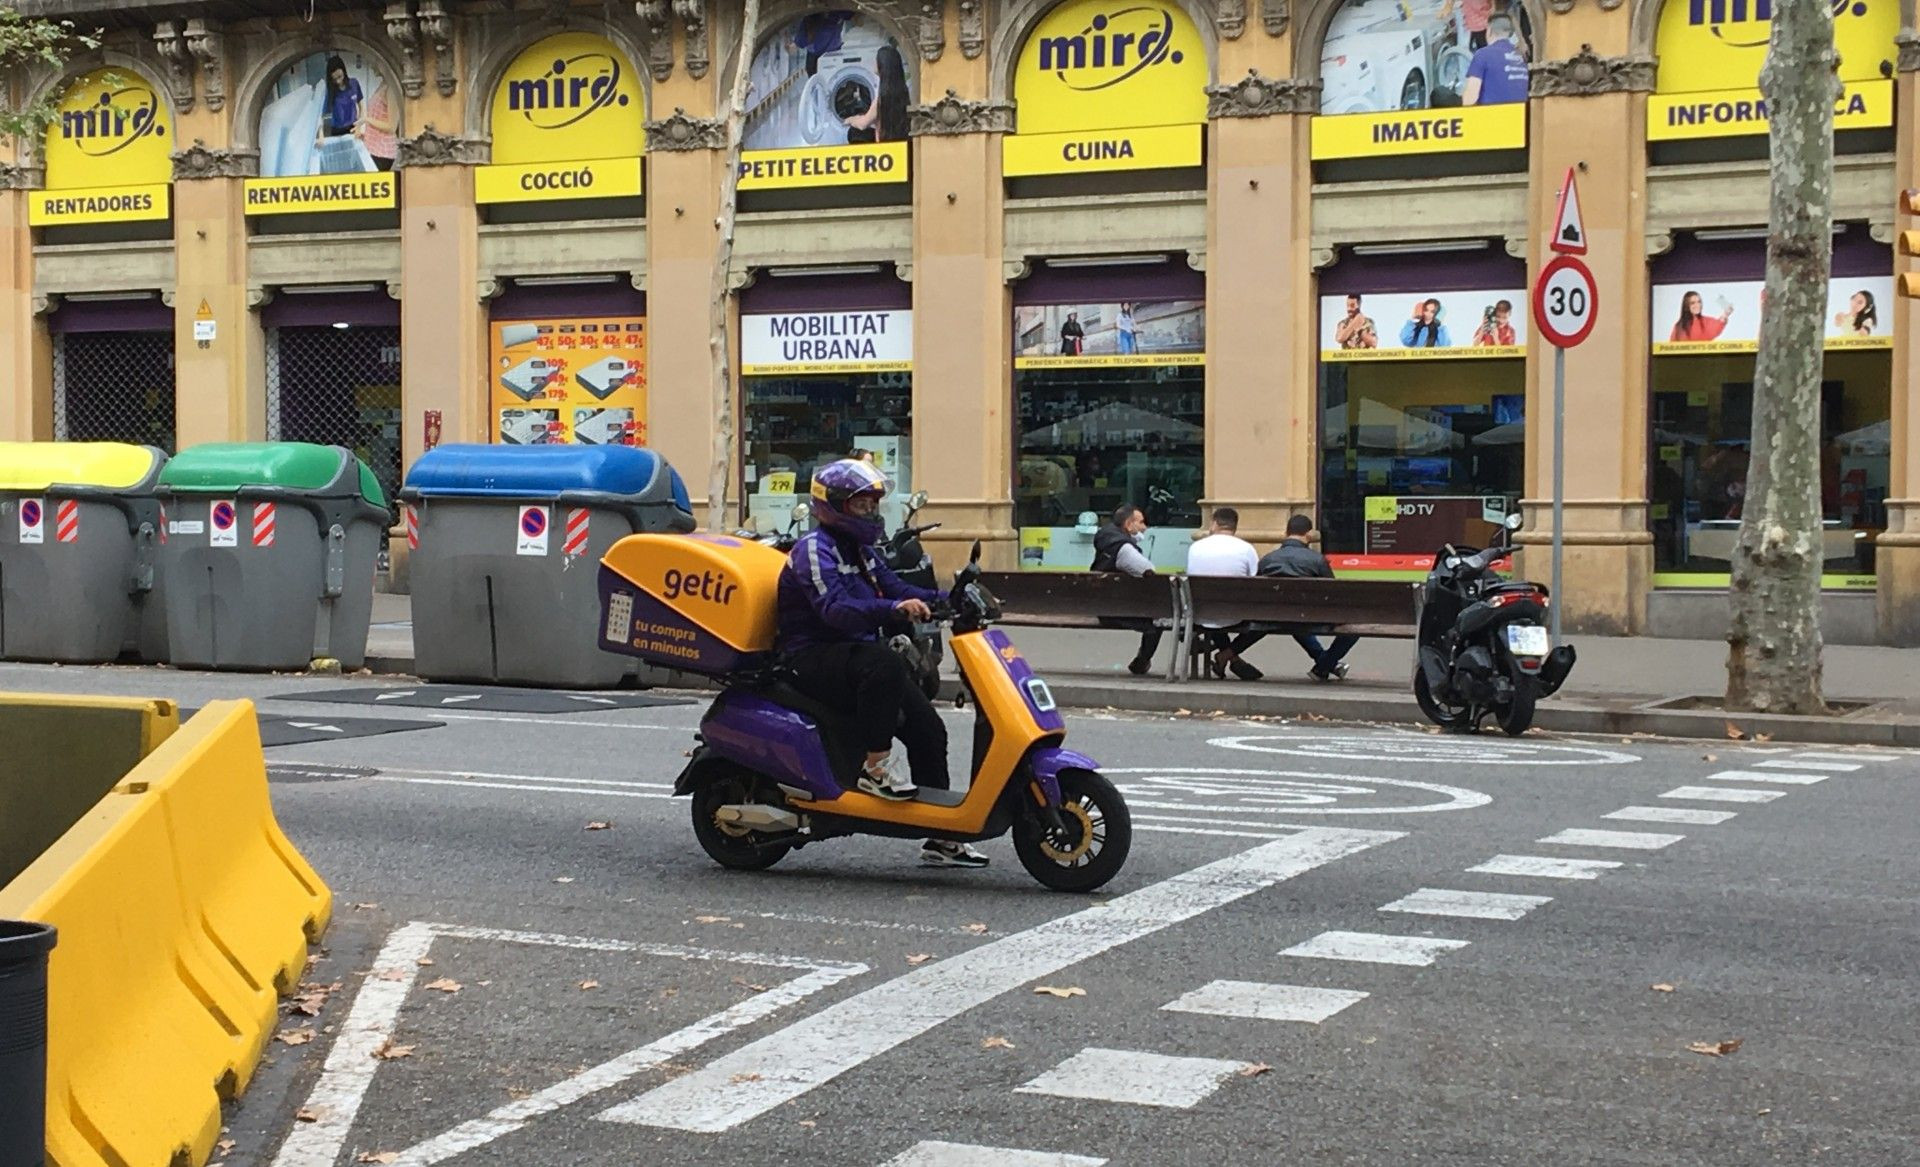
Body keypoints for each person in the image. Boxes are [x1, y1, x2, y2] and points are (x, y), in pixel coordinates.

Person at [776, 458, 988, 868]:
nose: (870, 512)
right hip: (811, 654)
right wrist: (894, 609)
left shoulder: (863, 550)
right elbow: (834, 610)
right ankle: (874, 769)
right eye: (861, 505)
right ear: (834, 504)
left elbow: (896, 586)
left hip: (853, 655)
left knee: (929, 729)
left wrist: (945, 600)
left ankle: (943, 839)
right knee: (884, 663)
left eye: (874, 505)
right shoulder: (813, 551)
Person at [1256, 515, 1359, 682]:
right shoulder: (1317, 560)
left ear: (1285, 533)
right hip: (1308, 616)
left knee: (1294, 618)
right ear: (1309, 535)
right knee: (1352, 630)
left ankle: (1324, 664)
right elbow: (1333, 591)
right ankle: (1324, 666)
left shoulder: (1267, 559)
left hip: (1274, 615)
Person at [1186, 507, 1265, 681]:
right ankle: (1229, 655)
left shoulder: (1196, 547)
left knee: (1214, 607)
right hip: (1235, 613)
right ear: (1235, 527)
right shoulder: (1247, 549)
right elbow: (1255, 579)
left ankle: (1225, 655)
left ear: (1214, 523)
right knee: (1265, 621)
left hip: (1200, 611)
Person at [1091, 504, 1160, 675]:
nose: (1144, 527)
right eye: (1141, 522)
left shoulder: (1106, 540)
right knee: (1158, 620)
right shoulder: (1124, 549)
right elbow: (1149, 571)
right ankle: (1142, 661)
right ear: (1129, 525)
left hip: (1103, 606)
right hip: (1117, 610)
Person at [841, 41, 910, 144]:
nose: (874, 63)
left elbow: (862, 124)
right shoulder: (904, 93)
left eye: (876, 60)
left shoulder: (882, 99)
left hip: (883, 145)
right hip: (901, 144)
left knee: (854, 132)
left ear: (882, 65)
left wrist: (850, 120)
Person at [1461, 15, 1529, 106]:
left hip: (1491, 116)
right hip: (1519, 116)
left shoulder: (1483, 54)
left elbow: (1469, 100)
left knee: (1441, 94)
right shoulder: (1520, 58)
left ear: (1489, 31)